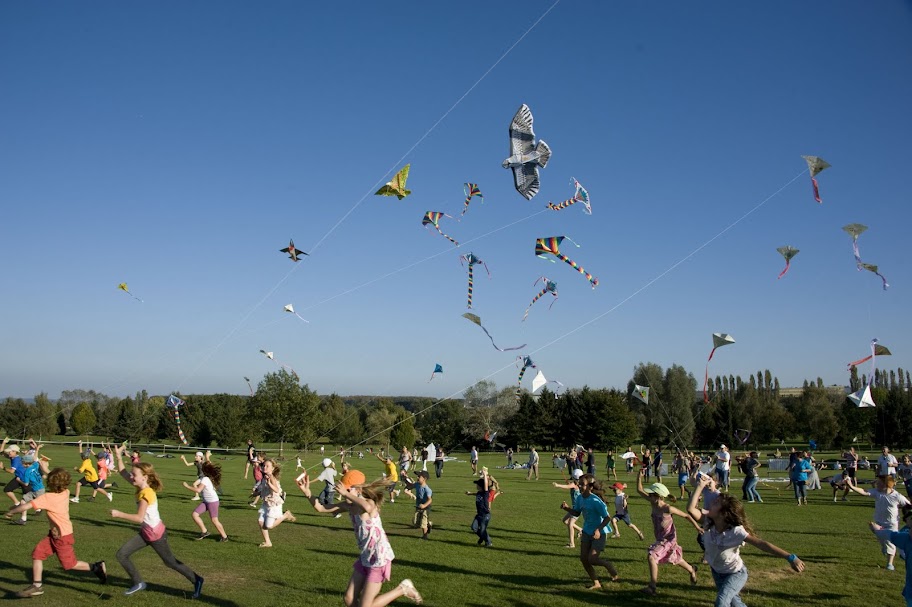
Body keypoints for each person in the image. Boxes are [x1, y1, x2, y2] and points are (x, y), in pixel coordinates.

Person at [296, 470, 423, 606]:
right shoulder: (348, 506)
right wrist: (307, 492)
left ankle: (403, 589)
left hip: (379, 557)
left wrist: (347, 493)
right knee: (349, 599)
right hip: (366, 556)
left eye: (346, 489)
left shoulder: (369, 503)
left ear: (358, 489)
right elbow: (320, 508)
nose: (341, 493)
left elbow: (368, 507)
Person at [686, 474, 805, 606]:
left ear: (723, 513)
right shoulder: (709, 522)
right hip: (717, 572)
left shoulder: (736, 531)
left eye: (715, 504)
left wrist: (790, 557)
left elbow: (762, 544)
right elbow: (691, 509)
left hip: (735, 574)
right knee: (735, 604)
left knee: (721, 602)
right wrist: (700, 486)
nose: (709, 506)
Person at [109, 445, 203, 598]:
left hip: (156, 535)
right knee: (122, 554)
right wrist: (118, 456)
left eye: (134, 475)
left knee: (170, 562)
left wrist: (118, 514)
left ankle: (197, 579)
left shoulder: (146, 493)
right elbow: (122, 472)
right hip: (146, 533)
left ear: (144, 477)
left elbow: (139, 518)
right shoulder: (139, 486)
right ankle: (138, 582)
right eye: (132, 475)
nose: (131, 477)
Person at [6, 467, 107, 598]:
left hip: (62, 536)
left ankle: (96, 567)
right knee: (37, 554)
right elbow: (58, 480)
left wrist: (11, 511)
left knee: (70, 565)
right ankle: (37, 586)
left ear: (50, 483)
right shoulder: (66, 492)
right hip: (54, 534)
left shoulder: (47, 497)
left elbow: (26, 506)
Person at [636, 471, 701, 595]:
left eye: (651, 494)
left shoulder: (668, 508)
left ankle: (652, 587)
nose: (649, 496)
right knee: (676, 558)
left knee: (652, 556)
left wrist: (697, 528)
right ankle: (692, 570)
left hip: (669, 539)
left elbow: (687, 516)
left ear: (659, 496)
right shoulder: (652, 502)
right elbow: (639, 490)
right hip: (661, 538)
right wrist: (639, 476)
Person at [561, 474, 619, 590]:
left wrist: (598, 529)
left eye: (583, 484)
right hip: (587, 531)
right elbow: (577, 513)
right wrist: (566, 508)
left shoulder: (596, 501)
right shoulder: (580, 498)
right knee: (583, 559)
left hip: (599, 533)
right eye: (579, 483)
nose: (580, 486)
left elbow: (607, 518)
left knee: (592, 559)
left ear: (590, 487)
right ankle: (596, 583)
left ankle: (608, 565)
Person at [848, 475, 911, 571]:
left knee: (891, 543)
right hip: (879, 522)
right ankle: (886, 547)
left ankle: (890, 564)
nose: (877, 484)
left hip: (892, 524)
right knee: (883, 539)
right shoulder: (877, 493)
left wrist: (907, 516)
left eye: (879, 482)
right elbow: (864, 492)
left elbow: (908, 505)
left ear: (886, 484)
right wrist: (851, 486)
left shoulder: (897, 496)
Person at [869, 506, 912, 606]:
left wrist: (877, 530)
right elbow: (890, 534)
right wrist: (878, 530)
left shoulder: (906, 539)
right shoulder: (906, 539)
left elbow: (889, 534)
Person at [182, 461, 228, 542]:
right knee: (195, 514)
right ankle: (204, 531)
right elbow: (196, 483)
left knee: (214, 520)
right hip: (206, 501)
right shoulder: (204, 478)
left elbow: (199, 490)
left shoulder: (206, 479)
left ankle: (224, 537)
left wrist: (187, 486)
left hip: (212, 502)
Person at [255, 459, 296, 547]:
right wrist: (257, 492)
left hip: (274, 504)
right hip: (267, 503)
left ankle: (286, 515)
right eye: (264, 465)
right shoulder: (265, 476)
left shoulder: (271, 477)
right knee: (260, 521)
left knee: (269, 526)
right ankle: (268, 542)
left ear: (272, 468)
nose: (264, 467)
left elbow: (276, 489)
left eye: (267, 466)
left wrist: (269, 483)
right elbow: (263, 488)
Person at [553, 470, 584, 549]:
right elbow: (570, 486)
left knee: (570, 524)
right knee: (565, 521)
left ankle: (571, 544)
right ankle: (581, 530)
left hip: (577, 508)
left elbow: (567, 487)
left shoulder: (573, 484)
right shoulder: (580, 484)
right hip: (575, 507)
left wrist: (557, 485)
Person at [402, 470, 432, 540]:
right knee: (415, 523)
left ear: (424, 479)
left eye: (419, 476)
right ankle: (428, 524)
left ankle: (425, 536)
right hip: (418, 506)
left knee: (423, 523)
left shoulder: (427, 489)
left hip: (425, 507)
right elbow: (411, 485)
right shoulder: (417, 484)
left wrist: (424, 505)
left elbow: (430, 500)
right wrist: (405, 479)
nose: (417, 477)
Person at [467, 470, 493, 547]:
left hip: (485, 515)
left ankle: (488, 541)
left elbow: (485, 484)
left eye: (477, 485)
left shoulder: (485, 493)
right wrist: (470, 493)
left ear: (481, 486)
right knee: (474, 527)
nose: (476, 486)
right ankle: (482, 537)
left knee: (482, 530)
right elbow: (476, 494)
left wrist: (485, 475)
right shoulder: (479, 493)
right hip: (479, 515)